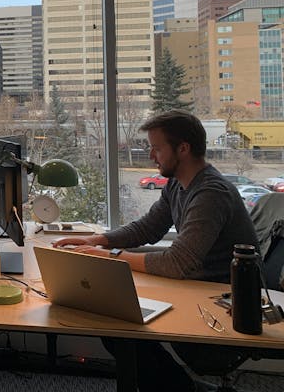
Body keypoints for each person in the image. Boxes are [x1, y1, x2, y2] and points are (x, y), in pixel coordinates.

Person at [52, 110, 258, 392]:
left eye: (157, 148)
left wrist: (110, 257)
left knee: (120, 328)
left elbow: (178, 263)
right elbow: (147, 229)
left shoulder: (211, 193)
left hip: (216, 302)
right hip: (191, 288)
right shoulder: (177, 184)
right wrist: (97, 240)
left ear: (183, 149)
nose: (151, 155)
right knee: (114, 325)